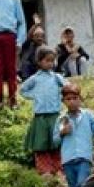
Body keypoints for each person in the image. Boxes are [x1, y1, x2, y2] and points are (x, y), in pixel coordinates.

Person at [20, 46, 66, 176]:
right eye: (47, 60)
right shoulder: (35, 79)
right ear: (39, 62)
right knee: (41, 144)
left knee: (56, 143)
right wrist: (34, 95)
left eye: (52, 61)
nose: (50, 63)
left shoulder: (56, 77)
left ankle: (59, 169)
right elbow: (23, 89)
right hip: (40, 116)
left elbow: (68, 87)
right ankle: (44, 170)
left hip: (55, 115)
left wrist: (62, 96)